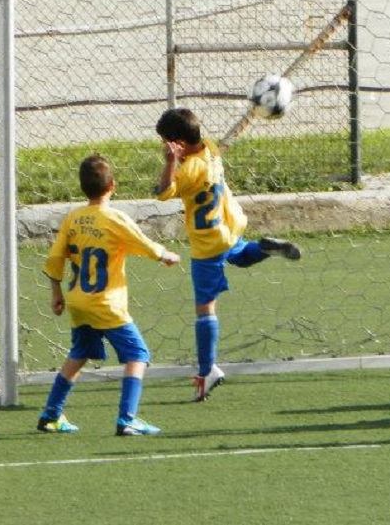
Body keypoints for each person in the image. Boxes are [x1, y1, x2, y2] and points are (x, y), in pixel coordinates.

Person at [154, 107, 302, 402]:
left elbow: (163, 192)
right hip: (229, 226)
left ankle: (207, 370)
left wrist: (170, 162)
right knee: (240, 255)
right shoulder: (210, 149)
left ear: (178, 144)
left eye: (165, 143)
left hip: (207, 243)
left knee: (205, 308)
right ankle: (265, 248)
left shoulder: (190, 169)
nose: (164, 148)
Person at [38, 154, 182, 436]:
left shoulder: (73, 218)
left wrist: (56, 292)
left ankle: (51, 415)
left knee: (79, 354)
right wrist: (165, 255)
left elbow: (55, 257)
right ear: (112, 185)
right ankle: (127, 419)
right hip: (106, 304)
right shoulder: (114, 218)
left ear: (83, 188)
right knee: (138, 355)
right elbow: (141, 242)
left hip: (78, 300)